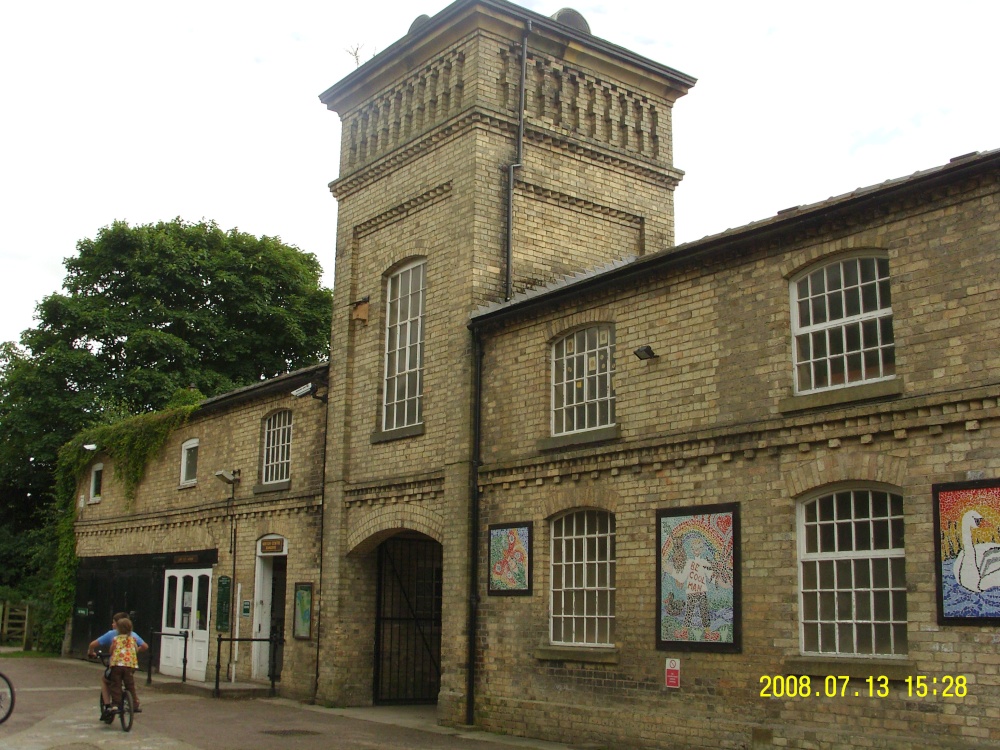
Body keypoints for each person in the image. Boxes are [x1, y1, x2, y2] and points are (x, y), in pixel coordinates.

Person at [88, 612, 147, 714]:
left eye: (114, 622)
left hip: (116, 665)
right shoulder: (133, 637)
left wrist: (91, 653)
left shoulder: (113, 635)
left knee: (111, 682)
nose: (112, 625)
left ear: (118, 626)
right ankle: (135, 704)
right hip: (130, 666)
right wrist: (134, 651)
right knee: (130, 685)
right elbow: (145, 646)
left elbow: (94, 645)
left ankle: (111, 705)